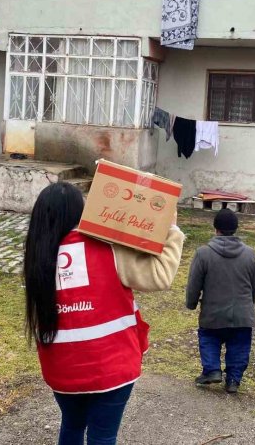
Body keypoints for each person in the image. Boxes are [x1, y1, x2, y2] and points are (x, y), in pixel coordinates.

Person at [24, 182, 185, 445]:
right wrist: (171, 230)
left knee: (72, 425)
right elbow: (160, 276)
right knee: (103, 435)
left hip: (61, 370)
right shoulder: (108, 247)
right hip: (112, 366)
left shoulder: (38, 256)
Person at [185, 208, 255, 394]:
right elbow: (254, 284)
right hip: (242, 313)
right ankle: (233, 379)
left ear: (215, 228)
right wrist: (248, 304)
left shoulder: (203, 253)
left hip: (213, 311)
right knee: (240, 344)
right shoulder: (249, 254)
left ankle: (212, 370)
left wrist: (191, 303)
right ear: (236, 229)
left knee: (209, 337)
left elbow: (194, 283)